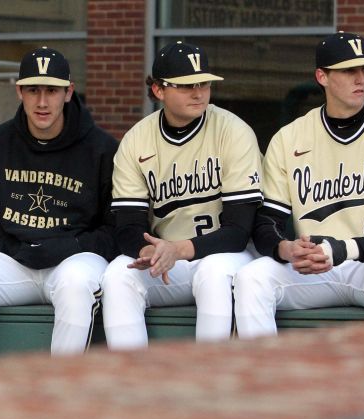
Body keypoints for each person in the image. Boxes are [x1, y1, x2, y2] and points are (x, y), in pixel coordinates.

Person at [234, 32, 364, 337]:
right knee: (251, 277)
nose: (360, 79)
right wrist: (285, 249)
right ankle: (266, 380)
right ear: (322, 76)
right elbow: (266, 225)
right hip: (312, 269)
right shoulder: (290, 138)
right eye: (348, 70)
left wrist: (342, 250)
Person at [0, 47, 118, 367]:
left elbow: (116, 230)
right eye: (33, 90)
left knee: (76, 284)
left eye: (51, 91)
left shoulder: (101, 148)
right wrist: (15, 248)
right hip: (13, 262)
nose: (42, 102)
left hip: (74, 261)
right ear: (19, 91)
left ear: (68, 92)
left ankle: (61, 398)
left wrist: (70, 246)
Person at [101, 41, 262, 349]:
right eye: (187, 85)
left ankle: (210, 385)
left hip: (225, 255)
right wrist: (147, 251)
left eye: (203, 83)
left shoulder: (233, 131)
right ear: (159, 90)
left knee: (214, 274)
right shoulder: (137, 140)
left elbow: (239, 232)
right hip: (168, 260)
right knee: (119, 275)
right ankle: (133, 386)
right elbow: (127, 224)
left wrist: (176, 249)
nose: (198, 92)